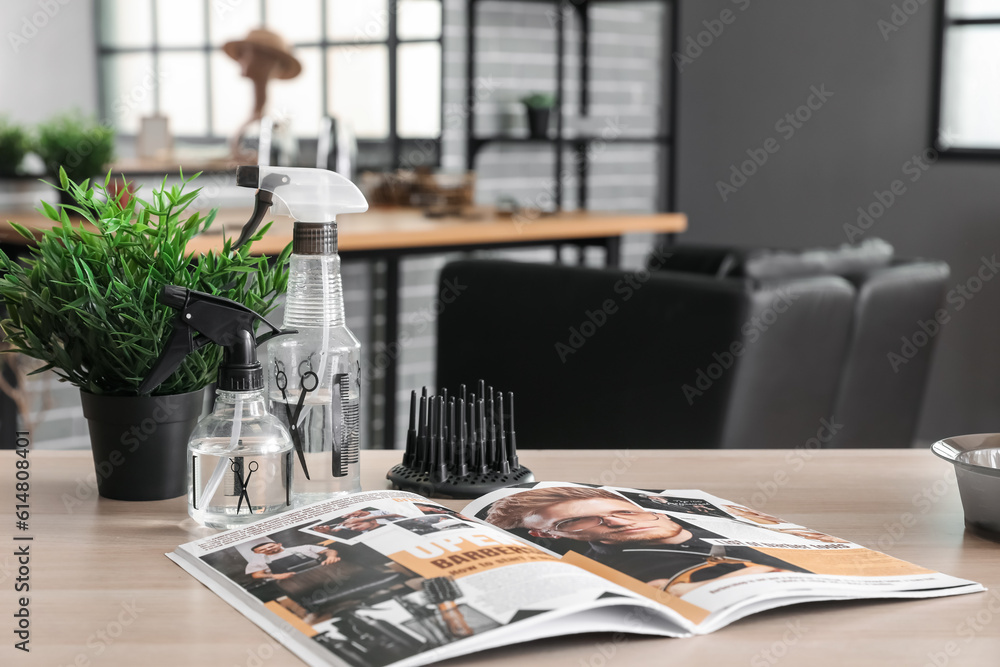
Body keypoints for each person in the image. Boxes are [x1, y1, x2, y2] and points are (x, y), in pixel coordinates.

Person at [486, 487, 807, 596]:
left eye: (623, 510)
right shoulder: (617, 571)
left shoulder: (707, 522)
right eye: (576, 520)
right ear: (546, 534)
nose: (616, 521)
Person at [222, 28, 301, 161]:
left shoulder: (280, 113)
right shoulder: (261, 120)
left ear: (265, 60)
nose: (241, 59)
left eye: (245, 53)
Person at [245, 541, 340, 581]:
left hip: (325, 573)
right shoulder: (258, 561)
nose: (268, 549)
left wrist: (331, 557)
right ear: (256, 553)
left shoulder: (303, 548)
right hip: (293, 581)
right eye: (262, 550)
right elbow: (256, 574)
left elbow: (329, 551)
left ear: (279, 544)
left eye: (271, 546)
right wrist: (274, 575)